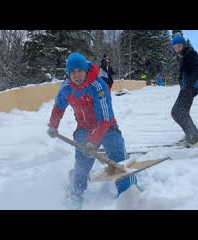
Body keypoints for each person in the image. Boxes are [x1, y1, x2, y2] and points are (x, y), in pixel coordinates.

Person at [47, 52, 139, 209]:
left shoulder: (98, 86)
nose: (76, 75)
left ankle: (128, 192)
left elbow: (105, 119)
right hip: (83, 128)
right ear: (68, 73)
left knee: (117, 154)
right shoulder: (66, 88)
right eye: (73, 72)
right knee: (82, 162)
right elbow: (58, 107)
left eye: (80, 71)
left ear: (86, 70)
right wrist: (53, 125)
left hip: (107, 126)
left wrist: (93, 141)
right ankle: (76, 193)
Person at [171, 33, 198, 147]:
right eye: (175, 48)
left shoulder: (191, 53)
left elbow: (195, 71)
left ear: (183, 44)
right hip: (186, 88)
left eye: (179, 46)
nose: (177, 49)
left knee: (177, 112)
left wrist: (192, 86)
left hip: (189, 88)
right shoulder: (186, 54)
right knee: (179, 112)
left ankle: (195, 137)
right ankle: (190, 134)